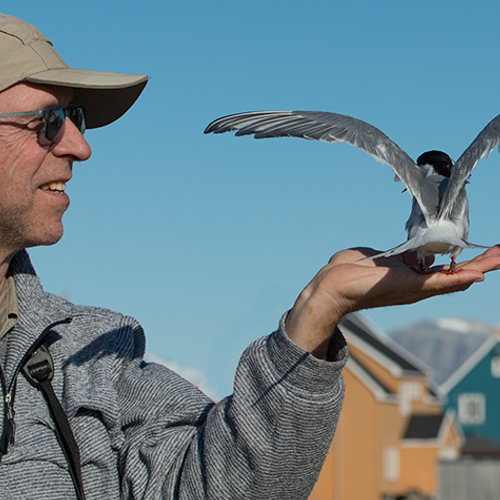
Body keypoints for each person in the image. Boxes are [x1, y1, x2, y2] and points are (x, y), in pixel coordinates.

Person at [0, 12, 499, 500]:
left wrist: (316, 313)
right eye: (48, 121)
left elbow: (211, 484)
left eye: (76, 118)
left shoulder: (89, 358)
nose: (80, 146)